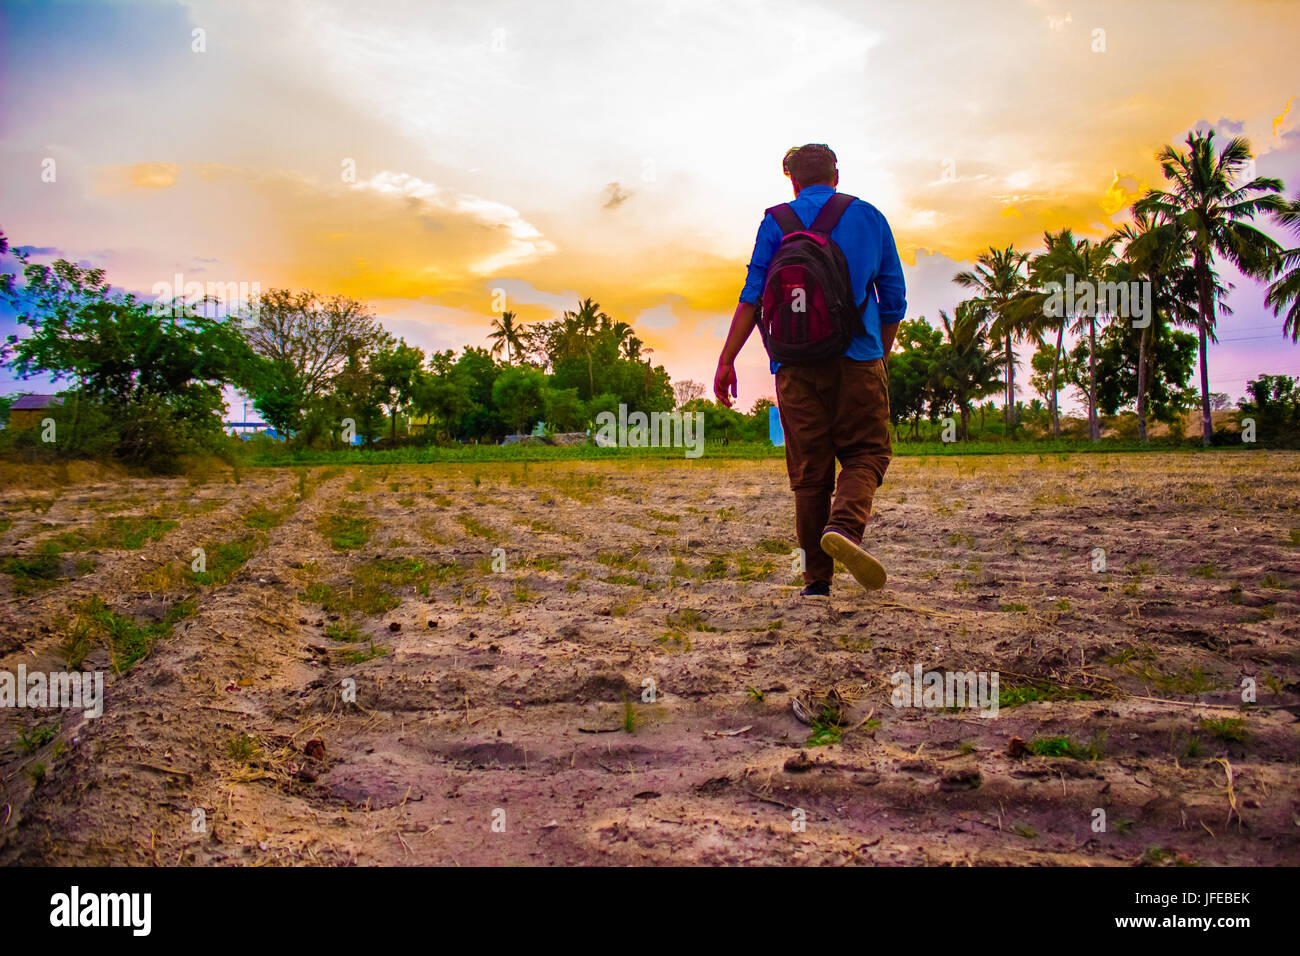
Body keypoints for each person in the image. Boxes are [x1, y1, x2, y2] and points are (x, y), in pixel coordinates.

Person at [713, 143, 906, 599]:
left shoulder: (776, 222)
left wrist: (727, 359)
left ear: (793, 180)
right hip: (858, 359)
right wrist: (879, 353)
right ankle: (844, 528)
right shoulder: (869, 217)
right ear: (835, 177)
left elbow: (753, 297)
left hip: (794, 366)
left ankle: (816, 583)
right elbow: (894, 298)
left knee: (809, 474)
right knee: (866, 454)